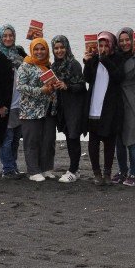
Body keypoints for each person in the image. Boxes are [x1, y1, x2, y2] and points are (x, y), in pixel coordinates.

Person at [83, 31, 124, 185]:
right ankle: (96, 173)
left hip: (110, 107)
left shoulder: (117, 58)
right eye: (100, 45)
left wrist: (105, 60)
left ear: (112, 45)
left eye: (106, 45)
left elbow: (119, 77)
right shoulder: (93, 59)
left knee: (109, 141)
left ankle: (107, 172)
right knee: (93, 142)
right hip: (94, 106)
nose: (103, 48)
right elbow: (87, 78)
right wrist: (87, 62)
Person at [17, 37, 60, 182]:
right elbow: (20, 87)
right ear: (31, 50)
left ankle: (47, 168)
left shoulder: (49, 65)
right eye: (36, 49)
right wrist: (40, 90)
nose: (39, 52)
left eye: (42, 49)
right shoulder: (25, 66)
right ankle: (33, 171)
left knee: (48, 140)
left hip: (48, 108)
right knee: (32, 141)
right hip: (30, 110)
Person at [0, 24, 27, 179]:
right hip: (6, 104)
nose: (8, 38)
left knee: (16, 138)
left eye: (11, 35)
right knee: (7, 137)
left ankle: (13, 166)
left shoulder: (19, 52)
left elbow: (32, 64)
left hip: (21, 103)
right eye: (4, 36)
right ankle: (8, 169)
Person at [114, 27, 135, 187]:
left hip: (132, 100)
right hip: (115, 100)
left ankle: (133, 174)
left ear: (132, 40)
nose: (124, 43)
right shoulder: (113, 56)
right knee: (119, 140)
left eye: (127, 39)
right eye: (121, 40)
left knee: (132, 140)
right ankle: (122, 171)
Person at [51, 35, 88, 183]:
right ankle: (75, 169)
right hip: (62, 106)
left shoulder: (74, 64)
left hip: (75, 105)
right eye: (56, 48)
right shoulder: (54, 66)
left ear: (67, 47)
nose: (59, 51)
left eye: (62, 47)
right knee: (68, 136)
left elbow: (82, 86)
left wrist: (67, 86)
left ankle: (73, 170)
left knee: (73, 136)